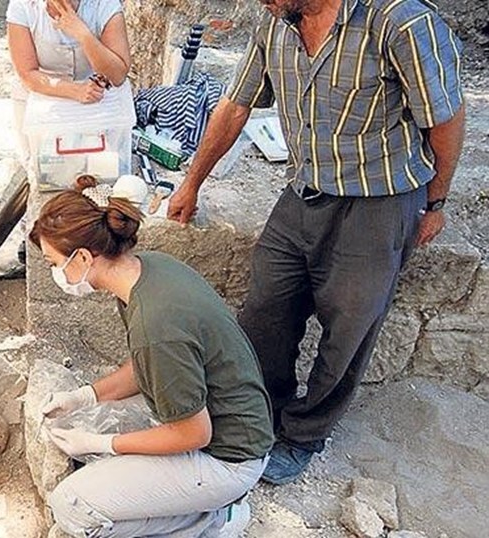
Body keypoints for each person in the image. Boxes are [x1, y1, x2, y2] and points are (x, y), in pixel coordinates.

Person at [168, 0, 465, 485]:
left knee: (349, 328)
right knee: (265, 309)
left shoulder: (400, 21)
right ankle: (259, 413)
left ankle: (304, 435)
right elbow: (235, 104)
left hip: (380, 200)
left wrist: (435, 203)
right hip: (304, 190)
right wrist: (192, 182)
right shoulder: (276, 22)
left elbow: (446, 118)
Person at [30, 178, 274, 537]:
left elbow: (194, 432)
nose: (57, 273)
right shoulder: (149, 270)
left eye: (54, 262)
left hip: (229, 460)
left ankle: (213, 521)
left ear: (82, 257)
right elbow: (148, 368)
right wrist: (82, 398)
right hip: (235, 425)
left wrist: (102, 445)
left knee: (72, 507)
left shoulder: (155, 325)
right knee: (102, 428)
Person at [6, 0, 131, 167]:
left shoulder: (104, 5)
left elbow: (118, 74)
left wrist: (83, 35)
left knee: (94, 166)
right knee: (44, 169)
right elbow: (27, 74)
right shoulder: (23, 6)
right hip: (39, 98)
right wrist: (76, 91)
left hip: (94, 98)